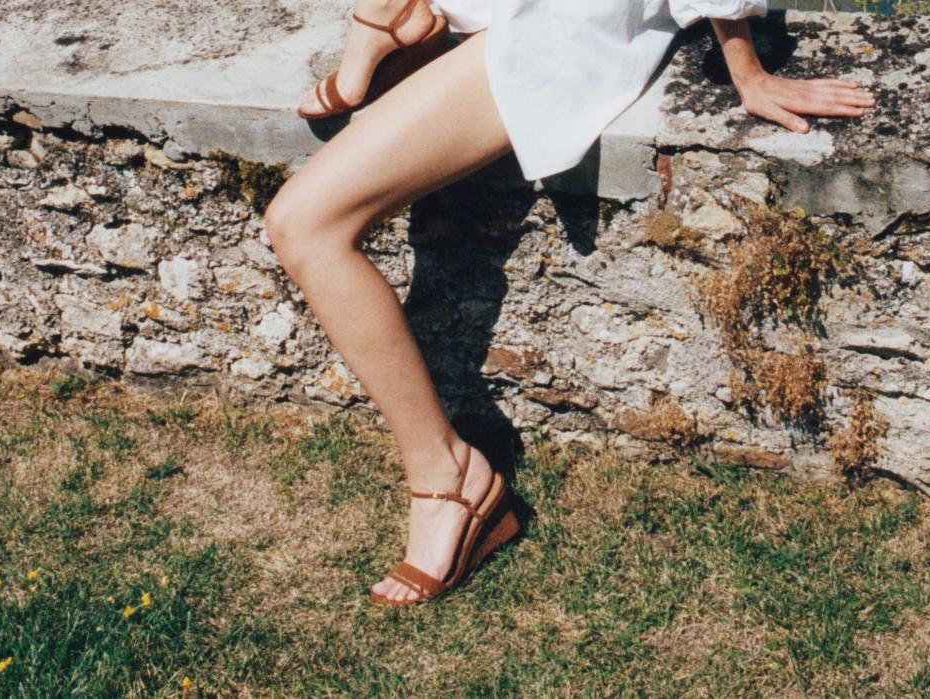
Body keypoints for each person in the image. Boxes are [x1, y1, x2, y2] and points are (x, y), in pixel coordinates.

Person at [265, 0, 877, 606]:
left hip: (552, 28)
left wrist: (747, 69)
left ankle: (447, 477)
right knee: (304, 222)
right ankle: (386, 22)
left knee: (304, 222)